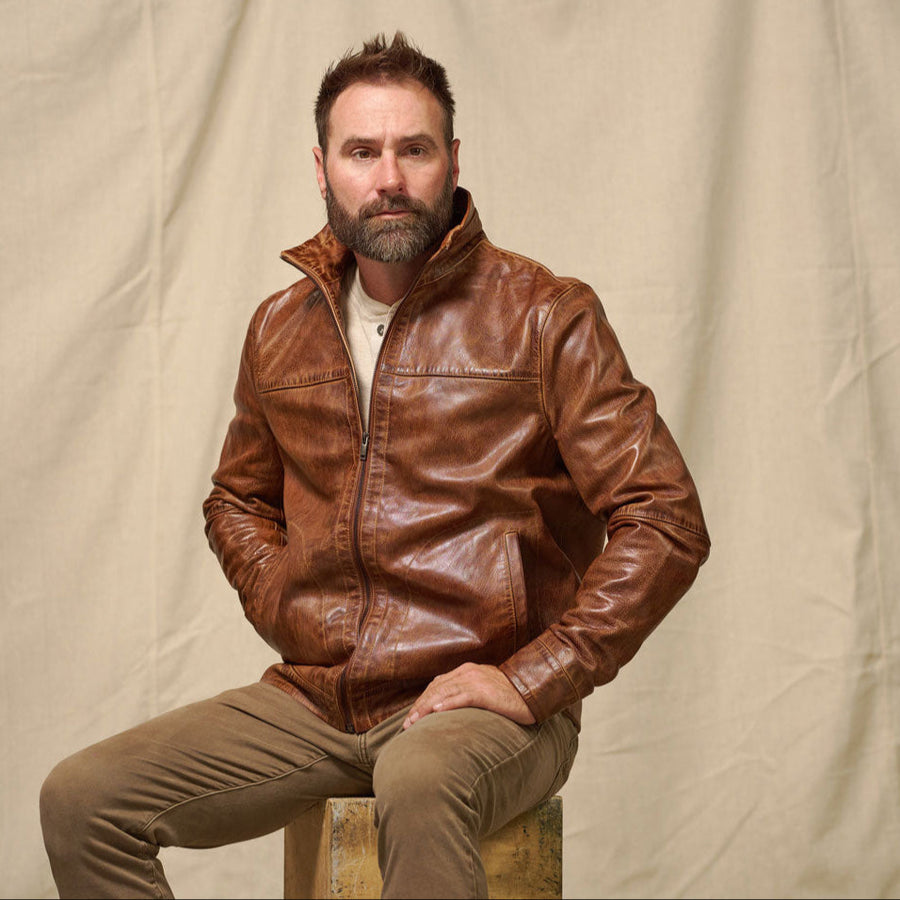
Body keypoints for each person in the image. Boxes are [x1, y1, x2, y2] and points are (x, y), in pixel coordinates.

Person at [40, 31, 710, 899]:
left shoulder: (546, 317)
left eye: (413, 149)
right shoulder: (279, 327)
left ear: (452, 161)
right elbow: (237, 499)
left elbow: (664, 516)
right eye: (362, 151)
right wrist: (288, 604)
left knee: (420, 777)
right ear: (323, 169)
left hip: (481, 708)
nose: (388, 176)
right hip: (318, 701)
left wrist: (534, 676)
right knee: (84, 801)